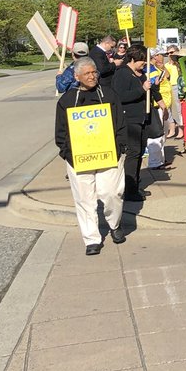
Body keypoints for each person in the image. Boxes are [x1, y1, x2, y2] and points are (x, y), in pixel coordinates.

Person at [55, 57, 128, 254]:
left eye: (94, 72)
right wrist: (67, 153)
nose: (92, 76)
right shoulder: (67, 100)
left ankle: (114, 225)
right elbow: (61, 132)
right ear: (77, 76)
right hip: (79, 160)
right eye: (87, 73)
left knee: (112, 192)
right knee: (85, 199)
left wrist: (120, 147)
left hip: (109, 155)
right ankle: (91, 239)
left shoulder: (109, 94)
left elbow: (120, 122)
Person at [110, 44, 155, 202]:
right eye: (142, 60)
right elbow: (120, 96)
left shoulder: (139, 74)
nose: (144, 63)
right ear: (133, 58)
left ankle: (135, 185)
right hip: (129, 119)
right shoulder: (122, 74)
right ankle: (129, 190)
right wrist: (141, 90)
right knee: (133, 153)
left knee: (140, 152)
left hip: (141, 118)